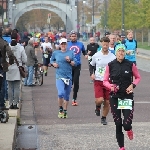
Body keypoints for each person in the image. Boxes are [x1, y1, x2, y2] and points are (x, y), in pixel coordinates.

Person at [103, 44, 141, 150]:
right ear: (116, 52)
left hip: (127, 97)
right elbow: (105, 81)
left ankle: (129, 129)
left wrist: (132, 85)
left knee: (126, 124)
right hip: (114, 97)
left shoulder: (130, 64)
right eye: (119, 51)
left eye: (122, 51)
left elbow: (138, 77)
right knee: (118, 123)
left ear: (125, 53)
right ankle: (122, 147)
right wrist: (110, 86)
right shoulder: (110, 65)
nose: (121, 53)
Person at [90, 37, 116, 125]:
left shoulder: (112, 57)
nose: (105, 46)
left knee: (107, 102)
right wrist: (91, 73)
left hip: (109, 82)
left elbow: (115, 68)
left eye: (106, 45)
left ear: (109, 45)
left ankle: (103, 118)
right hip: (98, 80)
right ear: (101, 44)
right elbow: (91, 65)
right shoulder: (96, 55)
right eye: (103, 44)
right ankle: (97, 106)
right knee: (99, 100)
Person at [50, 38, 76, 118]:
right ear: (60, 45)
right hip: (59, 76)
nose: (63, 45)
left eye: (64, 44)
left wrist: (69, 61)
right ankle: (60, 108)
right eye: (62, 44)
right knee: (60, 93)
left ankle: (65, 111)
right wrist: (53, 64)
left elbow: (74, 63)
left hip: (68, 76)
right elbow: (51, 61)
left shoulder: (71, 53)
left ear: (66, 45)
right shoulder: (56, 53)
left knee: (66, 95)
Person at [6, 32, 27, 109]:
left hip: (9, 68)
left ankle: (10, 103)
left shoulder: (7, 47)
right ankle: (15, 103)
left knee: (10, 87)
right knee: (17, 87)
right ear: (18, 38)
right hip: (18, 68)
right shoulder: (20, 48)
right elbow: (25, 59)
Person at [67, 30, 88, 106]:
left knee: (76, 81)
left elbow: (84, 51)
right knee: (69, 82)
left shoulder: (80, 44)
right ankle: (66, 97)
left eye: (74, 36)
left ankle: (74, 98)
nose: (73, 37)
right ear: (70, 37)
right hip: (68, 65)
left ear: (76, 36)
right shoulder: (67, 44)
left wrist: (85, 55)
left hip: (77, 65)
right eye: (72, 36)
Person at [0, 27, 14, 110]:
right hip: (2, 65)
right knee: (2, 85)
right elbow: (10, 54)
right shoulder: (3, 43)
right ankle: (1, 104)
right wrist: (10, 63)